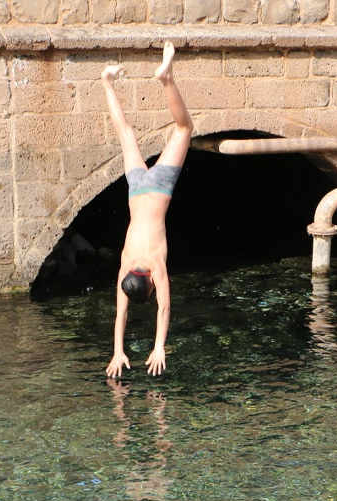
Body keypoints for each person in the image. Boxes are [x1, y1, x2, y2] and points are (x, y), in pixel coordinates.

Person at [103, 42, 193, 378]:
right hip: (137, 186)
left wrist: (158, 346)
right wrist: (117, 350)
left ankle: (167, 78)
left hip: (160, 189)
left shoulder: (155, 267)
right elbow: (120, 315)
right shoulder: (126, 265)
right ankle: (107, 81)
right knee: (125, 134)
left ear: (150, 283)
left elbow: (165, 307)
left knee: (184, 129)